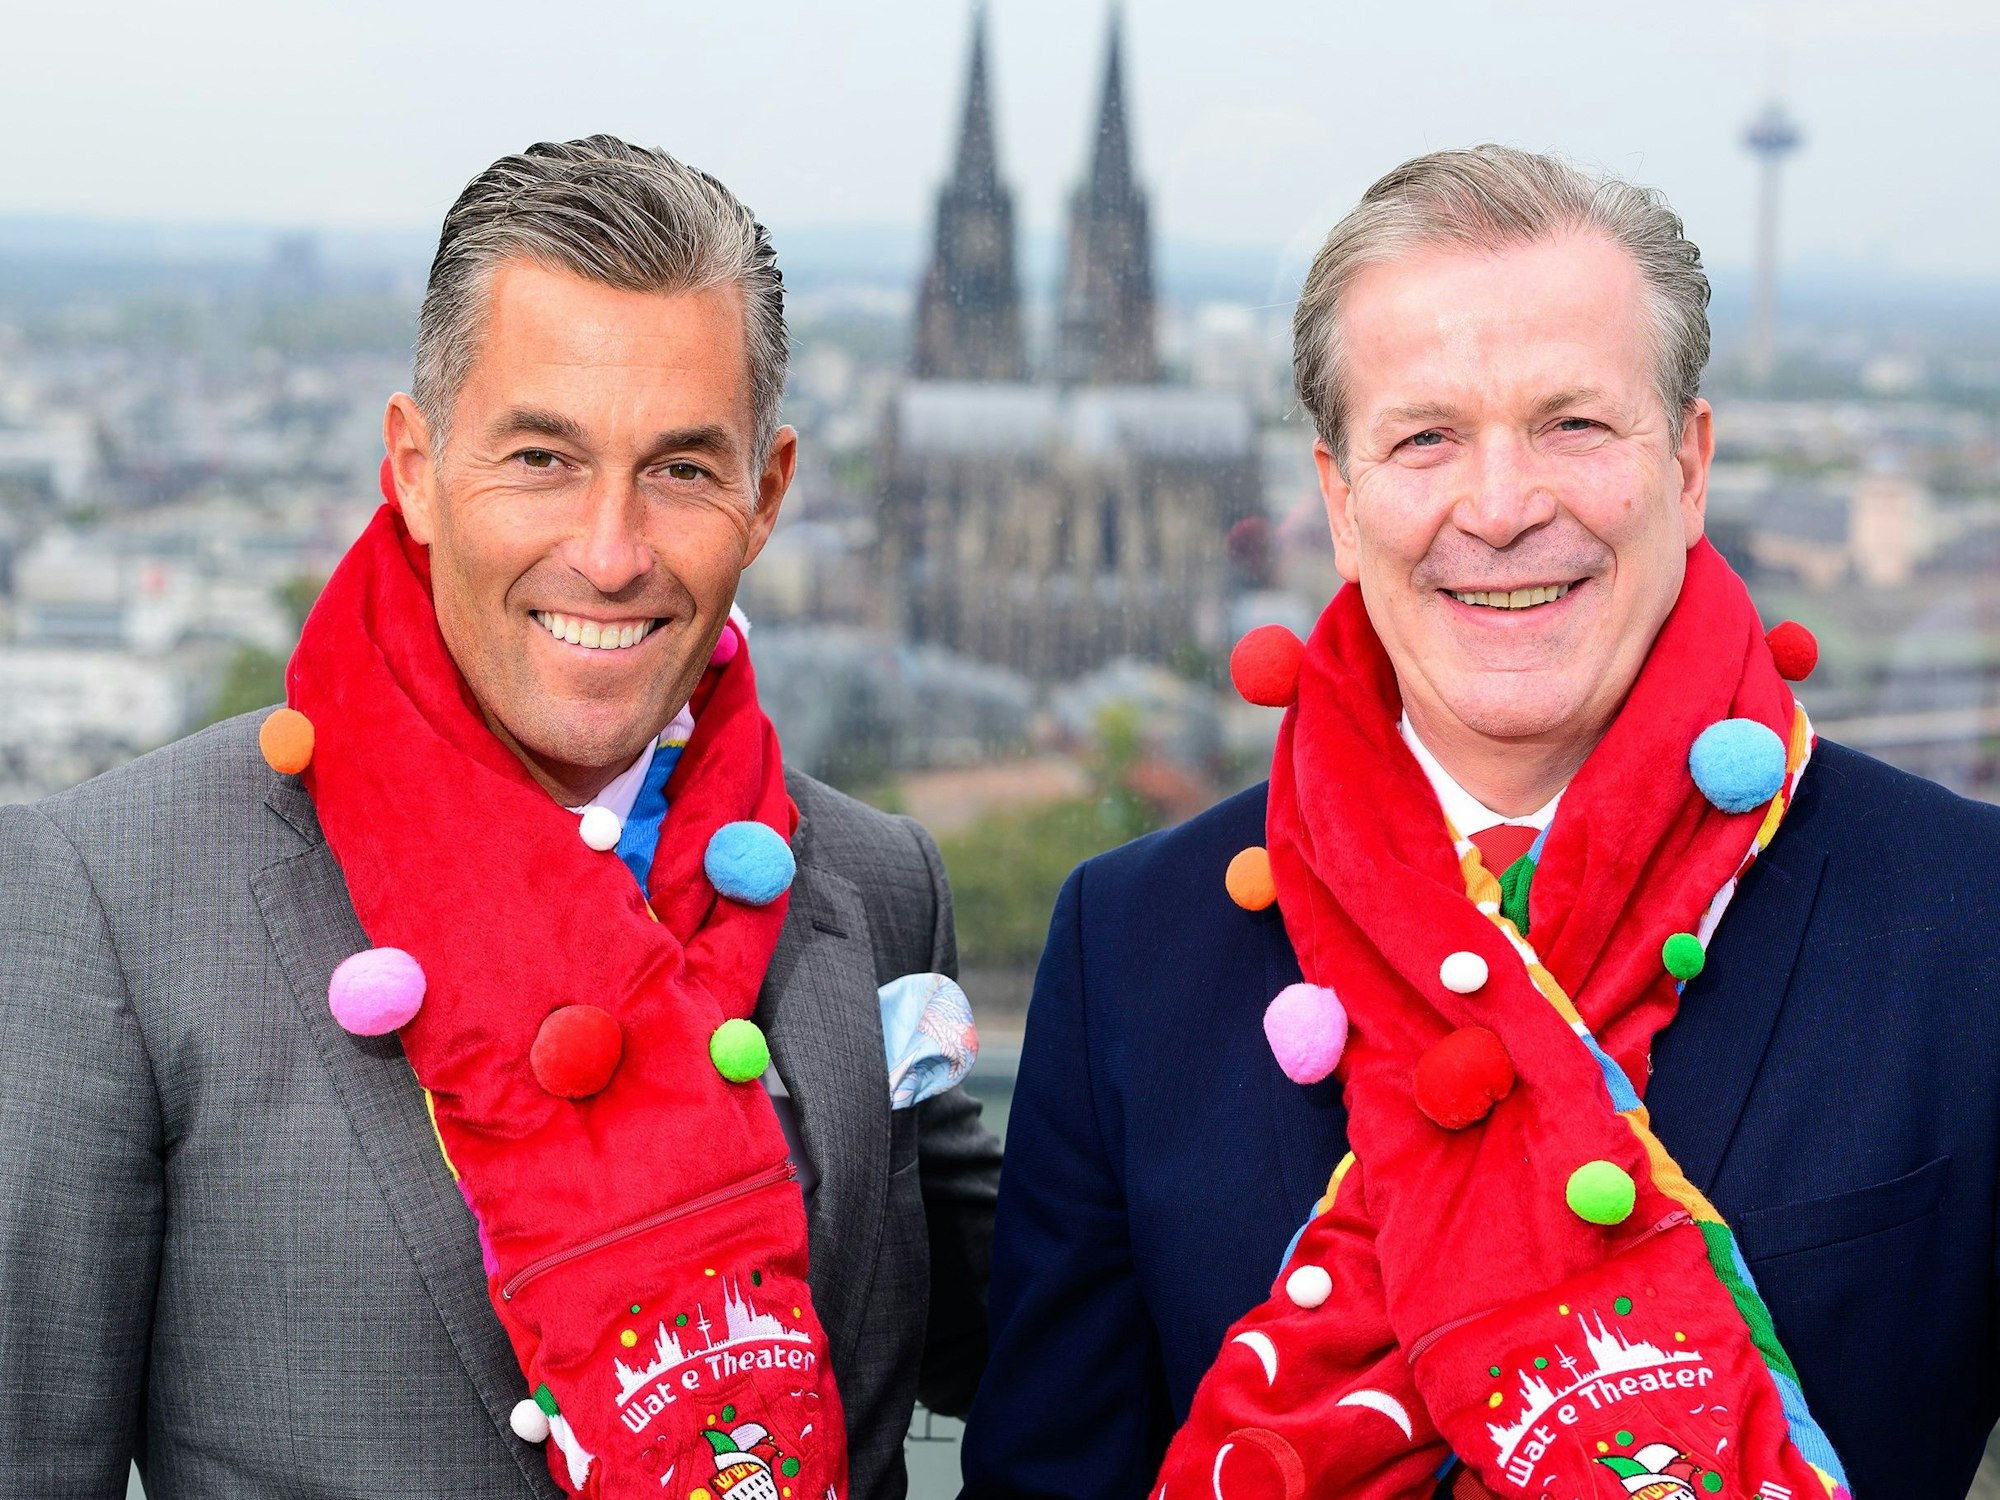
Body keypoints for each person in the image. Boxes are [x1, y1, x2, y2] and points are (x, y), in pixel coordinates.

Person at [962, 146, 2000, 1500]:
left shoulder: (1968, 919)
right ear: (1341, 502)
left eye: (1574, 424)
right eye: (1426, 437)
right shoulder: (1132, 941)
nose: (1503, 509)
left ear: (1688, 465)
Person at [0, 136, 1000, 1500]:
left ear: (766, 495)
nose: (608, 547)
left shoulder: (877, 888)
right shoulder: (114, 896)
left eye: (683, 471)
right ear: (413, 466)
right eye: (541, 456)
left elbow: (1061, 1330)